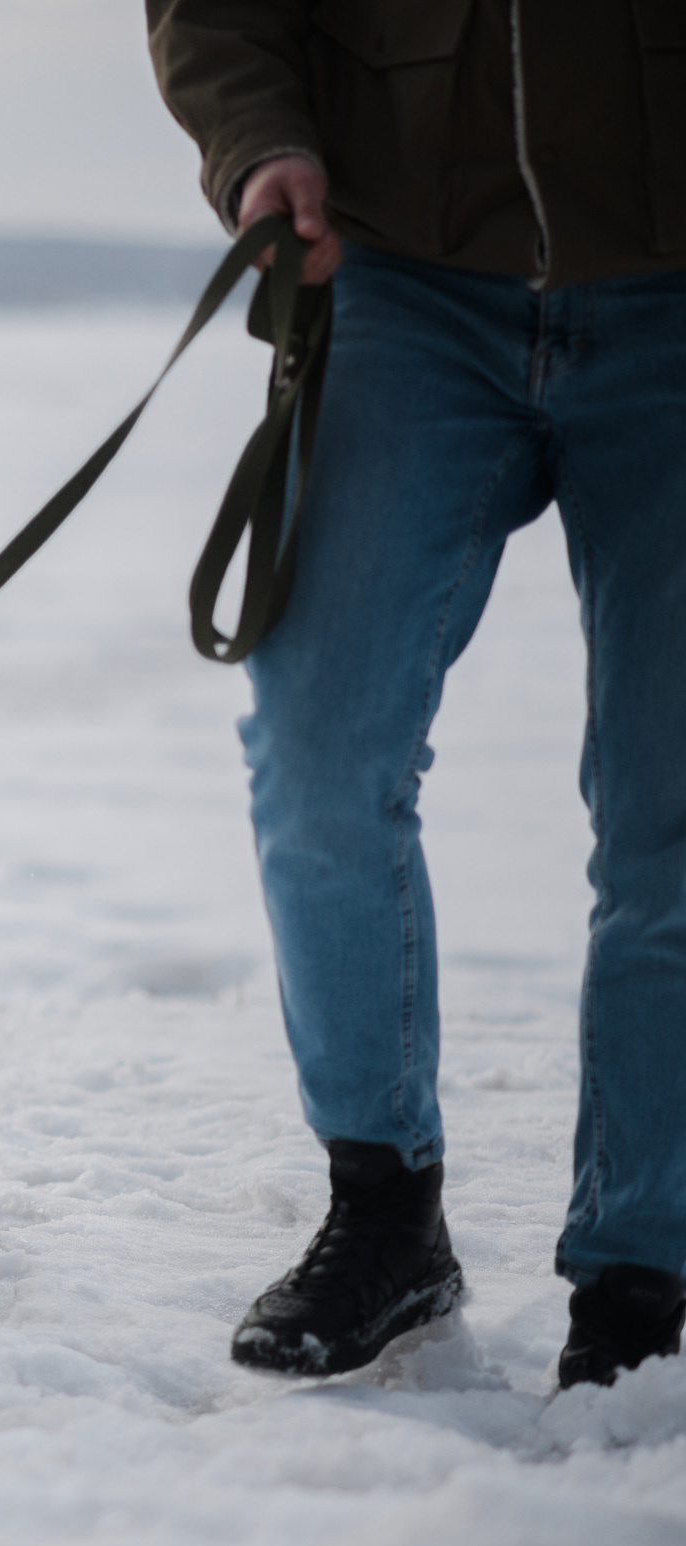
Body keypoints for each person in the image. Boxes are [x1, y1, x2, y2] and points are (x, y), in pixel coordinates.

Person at [146, 2, 686, 1385]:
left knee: (669, 814)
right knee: (319, 748)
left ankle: (644, 1269)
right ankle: (385, 1208)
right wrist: (258, 145)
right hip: (400, 287)